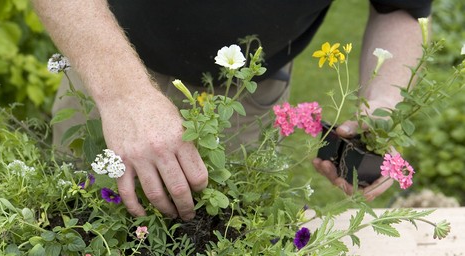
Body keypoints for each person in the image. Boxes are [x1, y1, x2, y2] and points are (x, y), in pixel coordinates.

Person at [32, 1, 431, 220]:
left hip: (244, 89)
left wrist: (381, 105)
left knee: (213, 230)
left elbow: (399, 8)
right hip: (110, 62)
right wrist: (124, 97)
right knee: (79, 218)